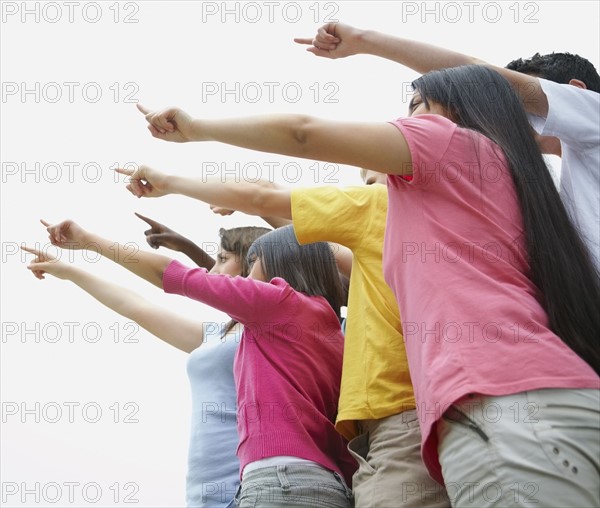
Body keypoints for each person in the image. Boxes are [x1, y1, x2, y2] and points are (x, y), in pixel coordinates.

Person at [132, 62, 599, 507]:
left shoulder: (421, 167)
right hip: (547, 395)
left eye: (415, 105)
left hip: (491, 406)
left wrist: (194, 134)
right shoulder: (513, 186)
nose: (403, 119)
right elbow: (298, 231)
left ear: (451, 110)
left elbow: (297, 146)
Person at [116, 165, 449, 507]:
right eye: (365, 180)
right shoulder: (326, 322)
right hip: (338, 468)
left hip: (289, 475)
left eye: (241, 260)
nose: (373, 185)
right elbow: (301, 254)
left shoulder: (292, 307)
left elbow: (297, 251)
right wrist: (196, 239)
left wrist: (95, 242)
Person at [25, 221, 356, 508]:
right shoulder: (329, 331)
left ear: (281, 267)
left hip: (279, 480)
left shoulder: (278, 302)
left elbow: (173, 276)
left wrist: (89, 241)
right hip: (325, 483)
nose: (246, 276)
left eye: (252, 264)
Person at [294, 22, 600, 270]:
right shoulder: (563, 186)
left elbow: (475, 74)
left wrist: (364, 40)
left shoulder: (594, 113)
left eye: (521, 102)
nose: (510, 115)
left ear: (574, 92)